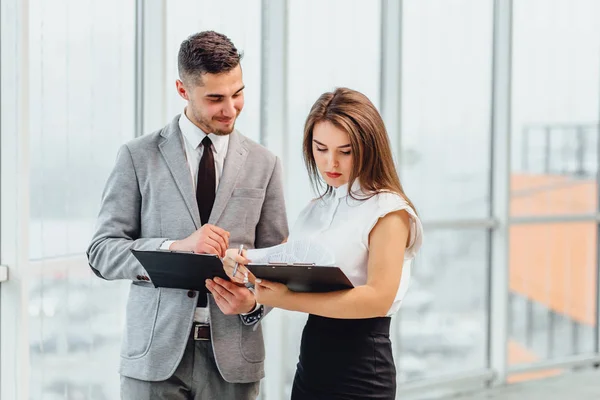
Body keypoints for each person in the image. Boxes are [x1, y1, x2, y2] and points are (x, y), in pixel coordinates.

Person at [86, 31, 288, 399]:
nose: (230, 109)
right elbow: (101, 253)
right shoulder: (137, 156)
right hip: (153, 357)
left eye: (237, 93)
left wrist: (254, 301)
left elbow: (280, 263)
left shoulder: (265, 163)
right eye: (215, 98)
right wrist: (174, 246)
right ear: (182, 89)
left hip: (234, 361)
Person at [225, 87, 423, 400]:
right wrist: (242, 266)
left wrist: (290, 300)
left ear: (369, 148)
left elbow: (377, 299)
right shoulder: (315, 209)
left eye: (345, 151)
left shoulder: (389, 210)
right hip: (311, 368)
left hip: (361, 374)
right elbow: (281, 268)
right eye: (320, 149)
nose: (331, 162)